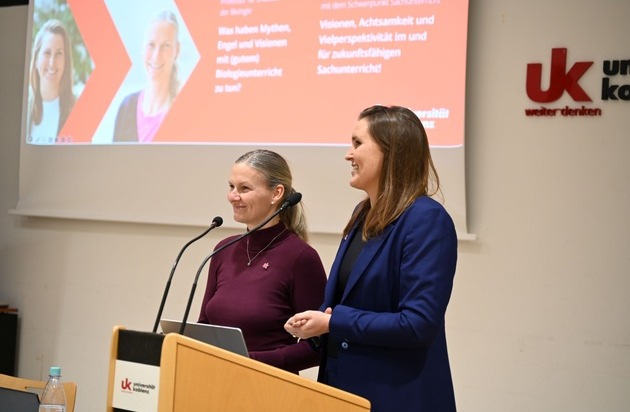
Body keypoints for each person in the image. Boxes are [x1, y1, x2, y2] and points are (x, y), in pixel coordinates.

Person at [285, 105, 458, 411]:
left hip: (396, 396)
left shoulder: (426, 219)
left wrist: (333, 322)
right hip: (342, 390)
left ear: (391, 151)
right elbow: (348, 301)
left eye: (358, 143)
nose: (348, 155)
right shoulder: (362, 213)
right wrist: (316, 324)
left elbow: (417, 325)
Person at [198, 149, 327, 374]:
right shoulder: (223, 249)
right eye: (231, 187)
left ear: (276, 193)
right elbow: (205, 326)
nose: (232, 196)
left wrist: (250, 361)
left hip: (268, 385)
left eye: (244, 188)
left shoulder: (301, 257)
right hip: (217, 380)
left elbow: (317, 346)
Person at [113, 11, 180, 142]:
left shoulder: (182, 111)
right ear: (142, 48)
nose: (156, 55)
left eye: (166, 46)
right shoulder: (126, 107)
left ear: (177, 50)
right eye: (151, 45)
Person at [27, 19, 76, 144]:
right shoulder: (22, 106)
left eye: (59, 53)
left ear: (66, 61)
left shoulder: (77, 111)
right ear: (36, 59)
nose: (52, 63)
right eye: (47, 53)